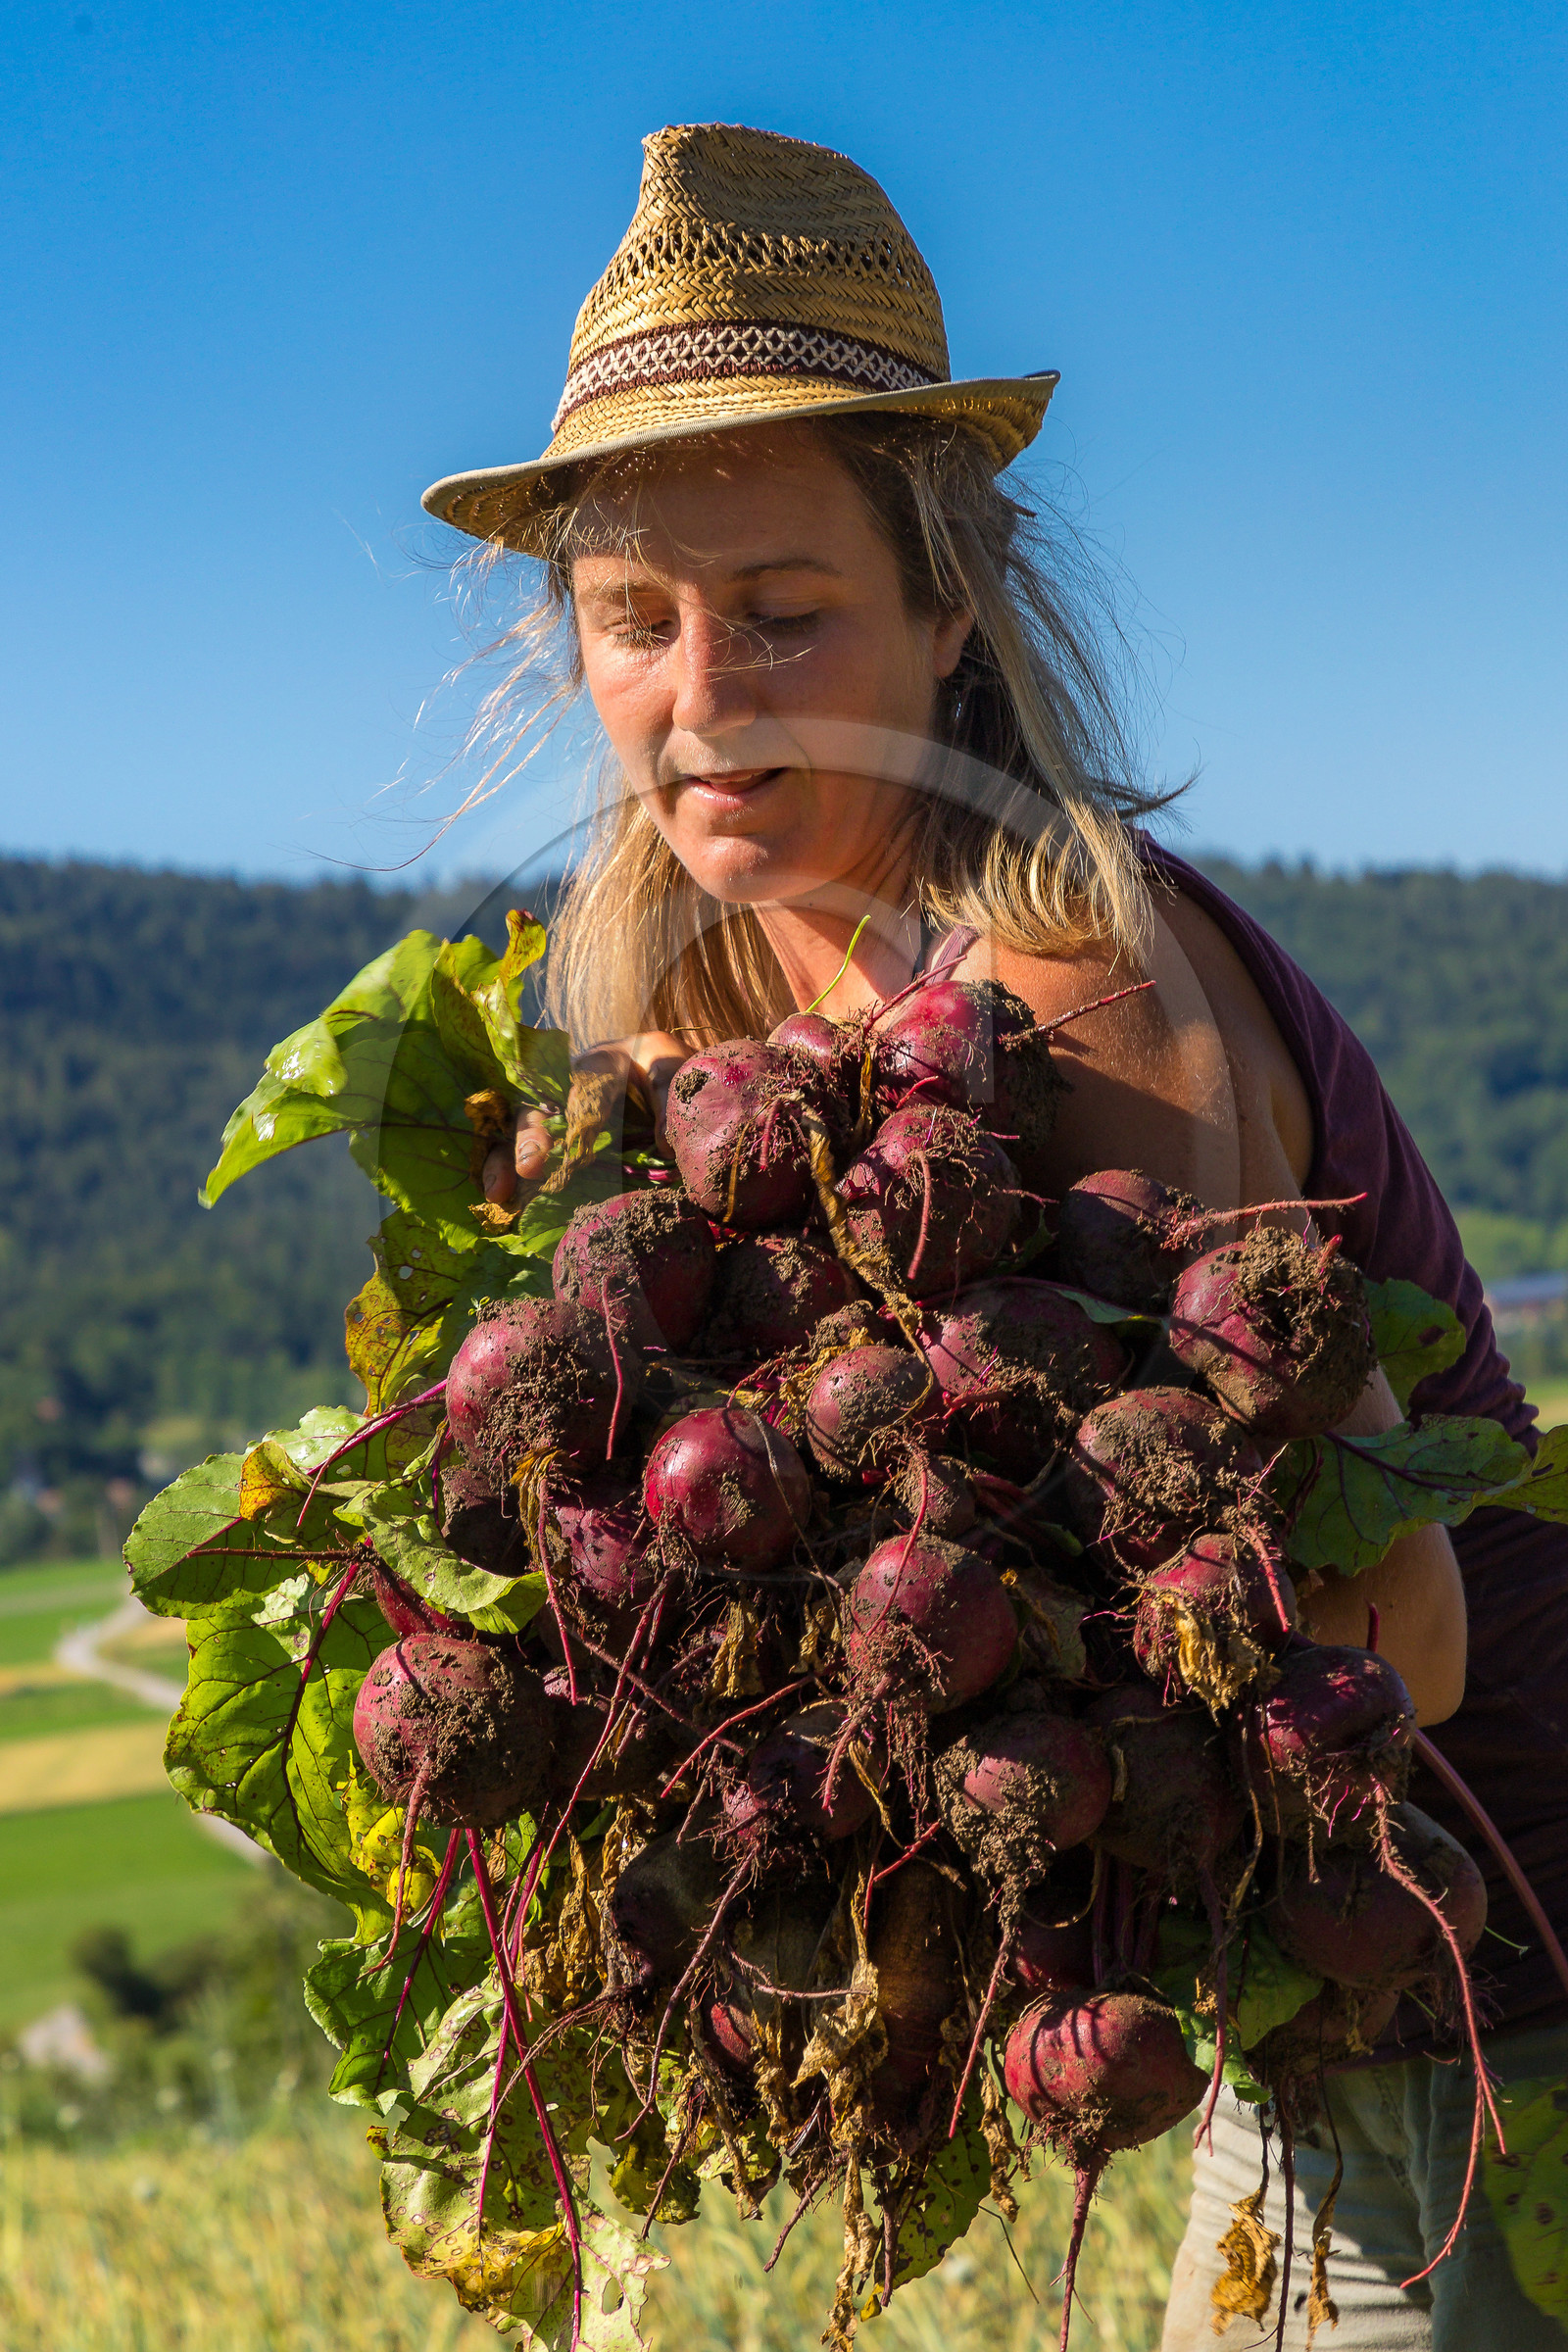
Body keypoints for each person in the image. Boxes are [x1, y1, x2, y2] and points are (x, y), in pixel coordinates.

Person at [420, 122, 1568, 2347]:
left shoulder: (1061, 999)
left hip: (1481, 1962)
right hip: (1285, 2002)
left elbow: (1383, 1642)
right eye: (630, 620)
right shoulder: (711, 1010)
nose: (698, 687)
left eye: (781, 611)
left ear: (948, 605)